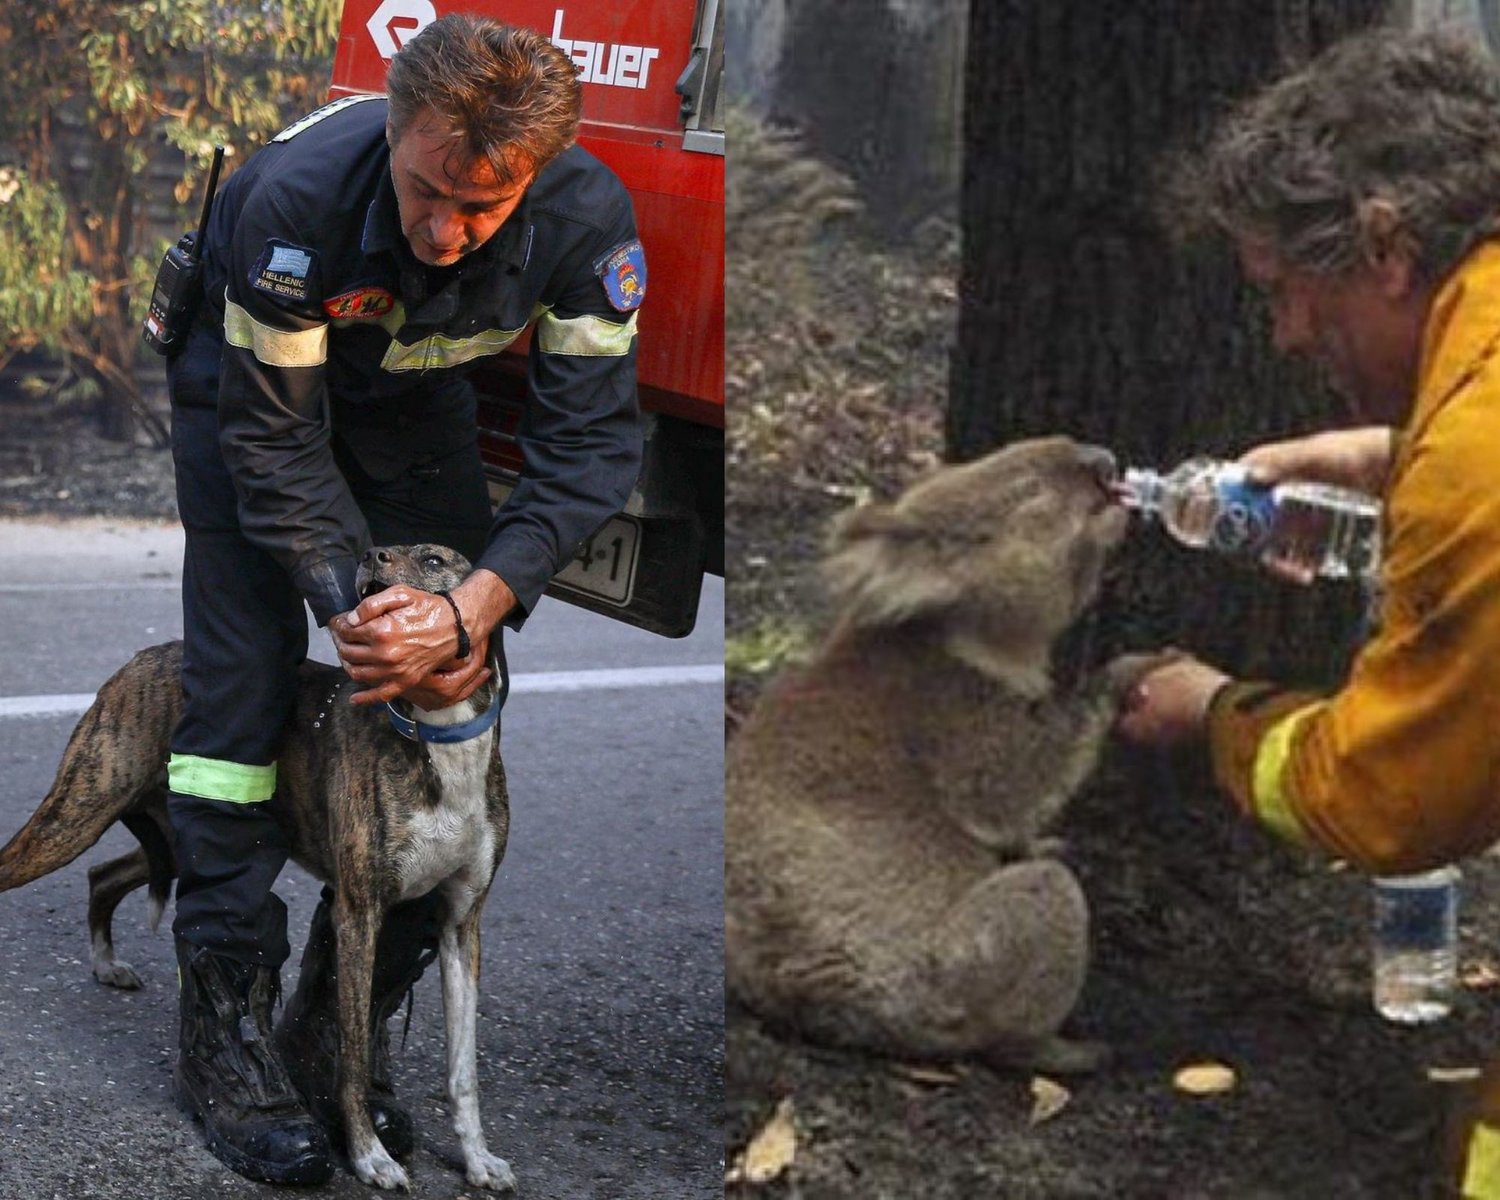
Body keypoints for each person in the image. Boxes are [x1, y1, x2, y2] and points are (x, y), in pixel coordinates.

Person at [162, 14, 644, 1184]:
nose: (447, 229)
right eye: (426, 189)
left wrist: (469, 610)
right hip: (252, 398)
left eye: (483, 207)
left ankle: (343, 1020)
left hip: (411, 393)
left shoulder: (589, 222)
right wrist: (353, 608)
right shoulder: (292, 204)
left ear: (536, 173)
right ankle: (224, 1018)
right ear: (394, 126)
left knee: (454, 693)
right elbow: (277, 452)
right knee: (239, 694)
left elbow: (586, 452)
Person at [1116, 28, 1500, 1198]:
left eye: (1287, 291)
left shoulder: (1475, 465)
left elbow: (1387, 800)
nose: (1284, 338)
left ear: (1384, 249)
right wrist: (1386, 456)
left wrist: (1210, 710)